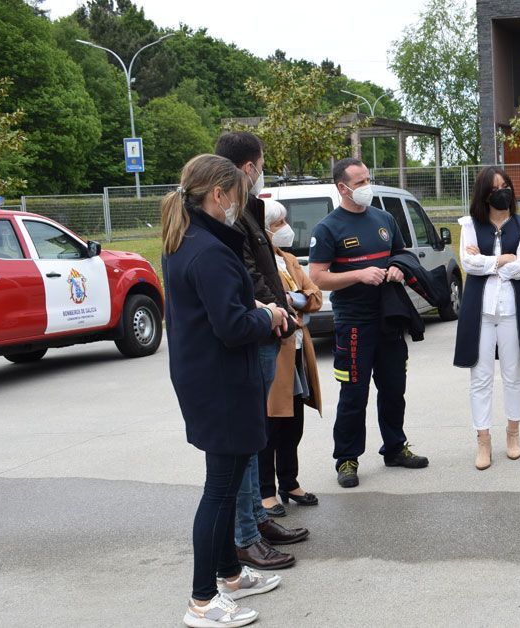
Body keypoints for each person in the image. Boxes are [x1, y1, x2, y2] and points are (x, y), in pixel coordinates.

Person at [163, 154, 286, 627]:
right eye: (237, 195)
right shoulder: (208, 249)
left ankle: (231, 575)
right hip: (220, 382)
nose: (241, 204)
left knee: (228, 482)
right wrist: (269, 315)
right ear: (218, 194)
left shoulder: (190, 239)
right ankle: (201, 600)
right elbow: (233, 327)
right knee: (220, 490)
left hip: (208, 377)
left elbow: (217, 306)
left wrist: (246, 304)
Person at [215, 131, 308, 569]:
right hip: (256, 333)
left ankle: (256, 521)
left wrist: (284, 303)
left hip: (269, 327)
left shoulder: (247, 212)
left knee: (256, 437)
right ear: (248, 168)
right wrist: (273, 310)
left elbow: (262, 268)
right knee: (249, 440)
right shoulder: (228, 216)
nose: (262, 170)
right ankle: (246, 534)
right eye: (262, 163)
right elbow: (245, 276)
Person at [308, 158, 430, 489]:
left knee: (394, 389)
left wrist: (398, 269)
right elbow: (317, 277)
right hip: (354, 325)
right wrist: (359, 274)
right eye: (359, 182)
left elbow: (400, 255)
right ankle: (346, 458)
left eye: (367, 179)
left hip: (389, 319)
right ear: (342, 187)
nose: (366, 187)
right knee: (354, 393)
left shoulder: (384, 218)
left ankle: (395, 448)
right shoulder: (328, 228)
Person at [453, 166, 520, 469]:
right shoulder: (470, 225)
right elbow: (468, 262)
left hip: (513, 311)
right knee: (480, 378)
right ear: (483, 194)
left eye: (506, 185)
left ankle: (513, 434)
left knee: (513, 375)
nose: (502, 191)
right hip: (480, 312)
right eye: (495, 187)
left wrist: (486, 261)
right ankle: (483, 442)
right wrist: (503, 258)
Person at [259, 199, 324, 515]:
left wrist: (294, 299)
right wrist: (292, 301)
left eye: (285, 221)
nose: (285, 228)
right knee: (271, 424)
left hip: (298, 350)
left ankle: (289, 481)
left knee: (294, 422)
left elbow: (314, 296)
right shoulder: (261, 264)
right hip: (276, 352)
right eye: (278, 223)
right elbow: (270, 302)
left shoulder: (289, 260)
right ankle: (266, 492)